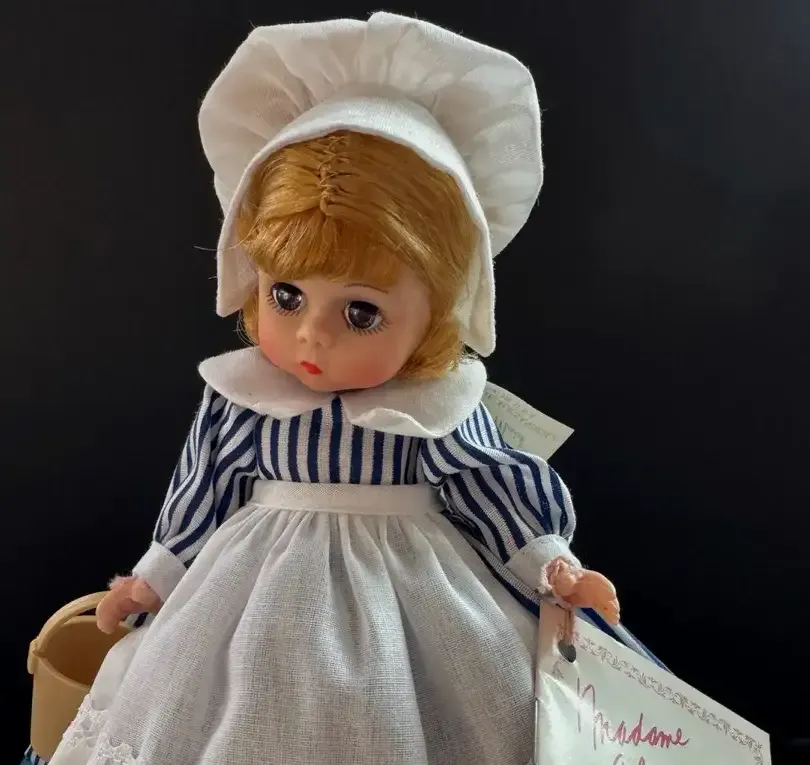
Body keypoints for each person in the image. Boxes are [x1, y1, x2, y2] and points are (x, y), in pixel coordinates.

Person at [38, 12, 663, 765]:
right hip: (248, 603)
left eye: (360, 312)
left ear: (437, 311)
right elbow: (205, 485)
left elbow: (489, 482)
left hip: (416, 601)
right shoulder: (243, 396)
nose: (312, 336)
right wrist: (154, 576)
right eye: (287, 296)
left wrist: (552, 565)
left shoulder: (434, 407)